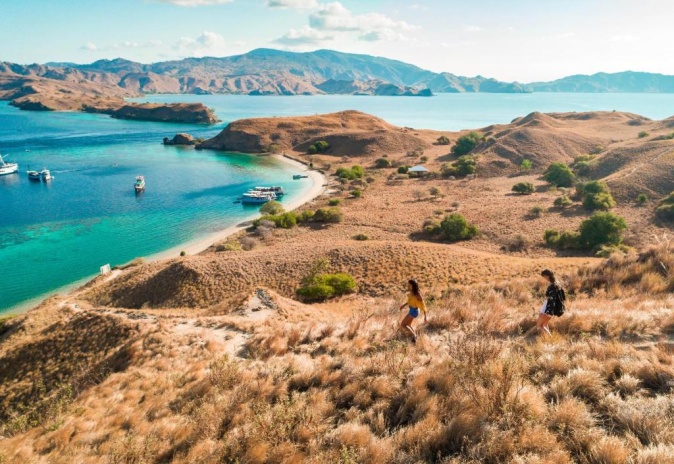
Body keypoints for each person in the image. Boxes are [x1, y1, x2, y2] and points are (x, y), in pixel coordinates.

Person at [536, 269, 566, 336]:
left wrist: (549, 311)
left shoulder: (553, 286)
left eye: (544, 276)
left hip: (548, 308)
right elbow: (562, 297)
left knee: (539, 325)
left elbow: (552, 300)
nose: (544, 278)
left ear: (547, 276)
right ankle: (549, 339)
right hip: (548, 307)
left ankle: (550, 338)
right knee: (544, 324)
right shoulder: (557, 283)